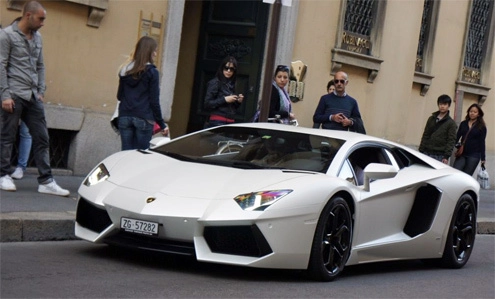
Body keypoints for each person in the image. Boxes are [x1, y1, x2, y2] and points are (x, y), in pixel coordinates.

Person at [0, 1, 69, 196]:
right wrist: (4, 95)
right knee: (7, 136)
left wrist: (40, 89)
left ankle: (46, 180)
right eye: (41, 19)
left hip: (32, 96)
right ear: (28, 16)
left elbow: (40, 65)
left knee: (42, 137)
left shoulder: (38, 38)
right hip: (14, 94)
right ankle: (3, 174)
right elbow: (1, 66)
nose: (43, 23)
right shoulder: (6, 35)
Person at [117, 36, 168, 150]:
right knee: (140, 156)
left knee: (125, 154)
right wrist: (161, 124)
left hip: (125, 116)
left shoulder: (124, 70)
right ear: (149, 52)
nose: (155, 54)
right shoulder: (152, 72)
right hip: (143, 117)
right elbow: (154, 101)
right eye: (154, 50)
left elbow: (119, 96)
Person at [204, 56, 244, 128]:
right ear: (222, 68)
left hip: (231, 121)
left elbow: (233, 108)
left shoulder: (232, 84)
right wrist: (224, 99)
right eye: (226, 68)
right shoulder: (215, 82)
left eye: (231, 69)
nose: (228, 71)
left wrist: (238, 101)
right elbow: (207, 104)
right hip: (217, 121)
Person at [418, 94, 457, 164]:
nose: (442, 106)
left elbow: (451, 140)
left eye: (445, 104)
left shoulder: (451, 123)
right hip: (426, 151)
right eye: (440, 104)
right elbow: (426, 134)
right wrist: (421, 149)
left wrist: (446, 156)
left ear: (449, 106)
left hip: (439, 155)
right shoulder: (431, 118)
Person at [453, 103, 487, 175]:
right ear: (468, 112)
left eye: (475, 112)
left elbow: (482, 142)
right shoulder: (463, 123)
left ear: (478, 114)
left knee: (466, 176)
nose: (472, 113)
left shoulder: (482, 127)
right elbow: (457, 136)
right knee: (455, 172)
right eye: (471, 111)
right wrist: (455, 146)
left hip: (474, 155)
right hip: (462, 153)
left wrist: (483, 158)